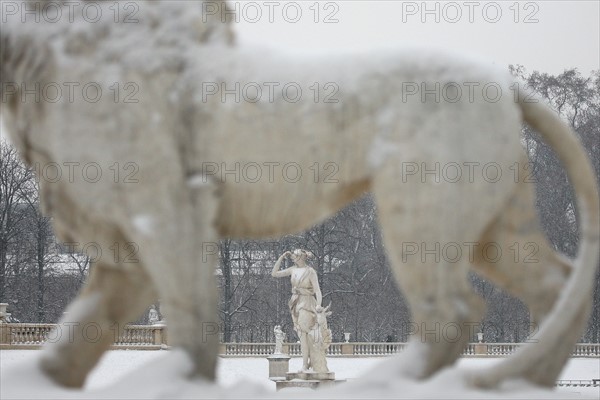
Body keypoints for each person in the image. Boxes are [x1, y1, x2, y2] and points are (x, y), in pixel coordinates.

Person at [271, 249, 322, 372]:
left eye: (295, 255)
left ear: (301, 257)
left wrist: (319, 305)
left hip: (307, 303)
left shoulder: (310, 271)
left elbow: (317, 290)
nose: (293, 257)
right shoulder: (293, 269)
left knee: (306, 333)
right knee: (302, 335)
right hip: (295, 303)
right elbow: (274, 273)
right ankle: (306, 363)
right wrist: (281, 257)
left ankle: (309, 363)